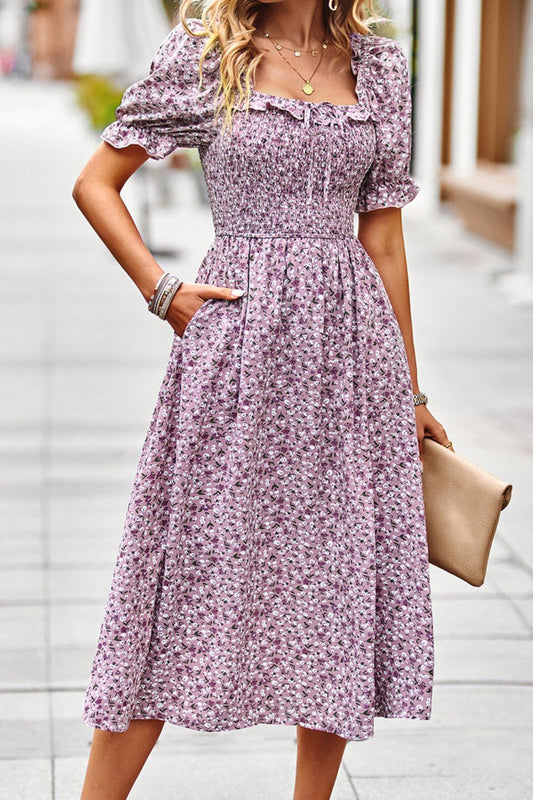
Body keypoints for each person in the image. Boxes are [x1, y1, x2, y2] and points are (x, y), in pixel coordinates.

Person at [72, 1, 453, 798]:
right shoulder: (208, 54)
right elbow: (96, 182)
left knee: (335, 584)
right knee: (185, 580)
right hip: (236, 354)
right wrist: (162, 290)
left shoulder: (379, 68)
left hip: (348, 360)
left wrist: (408, 388)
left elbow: (382, 239)